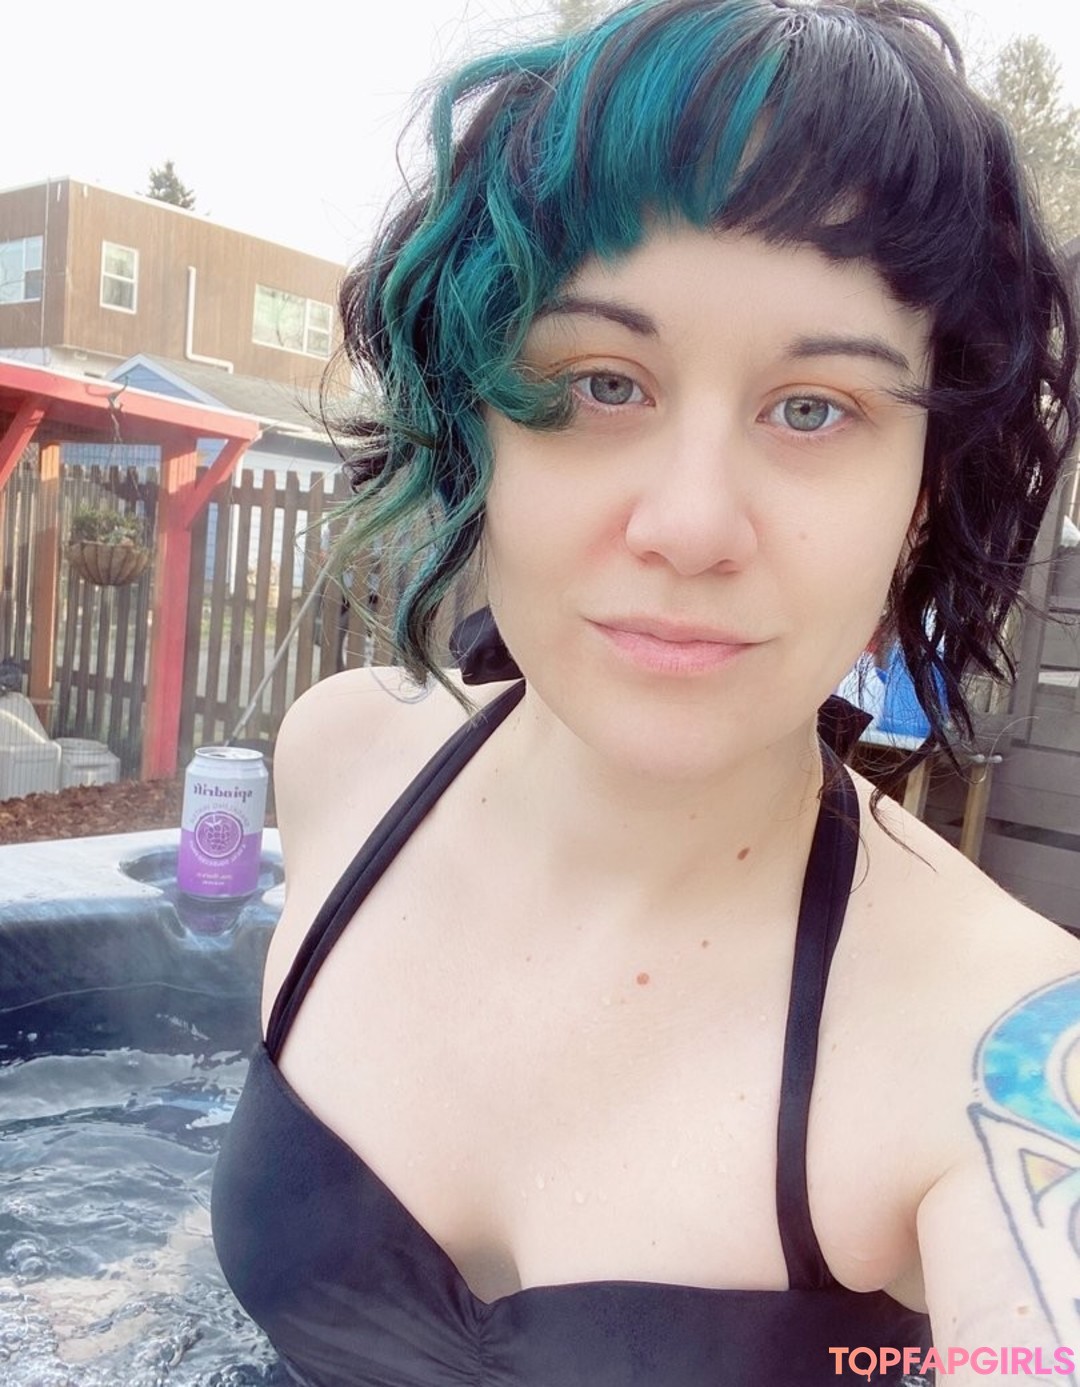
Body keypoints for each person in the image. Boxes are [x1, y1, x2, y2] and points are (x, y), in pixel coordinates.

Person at [211, 2, 1080, 1383]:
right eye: (603, 382)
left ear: (920, 499)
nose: (690, 526)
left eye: (815, 408)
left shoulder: (1006, 1047)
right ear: (479, 424)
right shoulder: (344, 760)